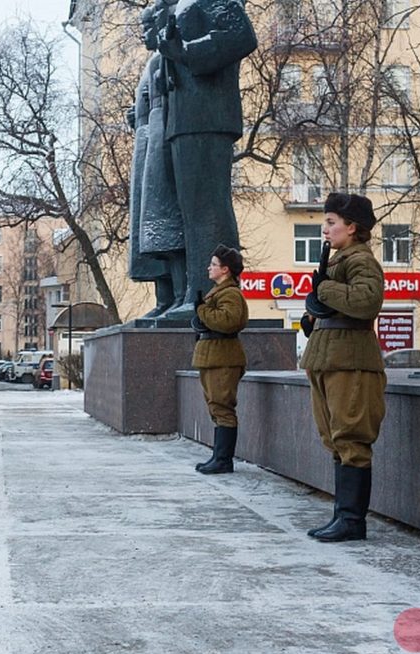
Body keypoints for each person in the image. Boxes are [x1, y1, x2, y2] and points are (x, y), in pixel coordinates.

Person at [154, 0, 257, 319]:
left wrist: (183, 50)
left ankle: (208, 292)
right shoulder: (177, 5)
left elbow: (242, 37)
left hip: (207, 116)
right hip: (184, 119)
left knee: (207, 207)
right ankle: (193, 291)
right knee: (190, 211)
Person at [300, 193, 384, 542]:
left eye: (332, 222)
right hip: (331, 359)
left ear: (353, 228)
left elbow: (366, 302)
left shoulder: (361, 260)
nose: (326, 228)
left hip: (351, 362)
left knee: (350, 438)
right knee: (335, 439)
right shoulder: (338, 261)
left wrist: (325, 289)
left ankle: (352, 520)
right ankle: (342, 516)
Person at [128, 3, 181, 318]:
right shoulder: (153, 62)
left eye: (148, 26)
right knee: (149, 228)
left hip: (161, 143)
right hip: (147, 144)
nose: (144, 33)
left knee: (165, 224)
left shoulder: (168, 57)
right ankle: (164, 299)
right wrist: (136, 116)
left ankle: (176, 296)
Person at [191, 244, 248, 474]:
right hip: (213, 355)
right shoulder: (221, 291)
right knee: (216, 407)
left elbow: (228, 321)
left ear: (225, 270)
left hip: (223, 357)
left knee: (222, 408)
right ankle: (219, 456)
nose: (209, 268)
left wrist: (202, 311)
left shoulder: (230, 293)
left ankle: (223, 460)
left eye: (213, 265)